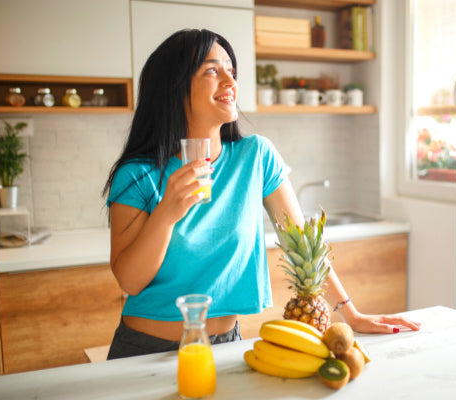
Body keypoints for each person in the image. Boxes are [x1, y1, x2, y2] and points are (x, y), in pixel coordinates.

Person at [103, 28, 420, 360]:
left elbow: (303, 245)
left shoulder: (256, 158)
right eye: (212, 70)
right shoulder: (138, 174)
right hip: (143, 352)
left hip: (227, 346)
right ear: (174, 86)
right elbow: (130, 282)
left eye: (231, 70)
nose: (230, 81)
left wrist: (351, 315)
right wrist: (167, 213)